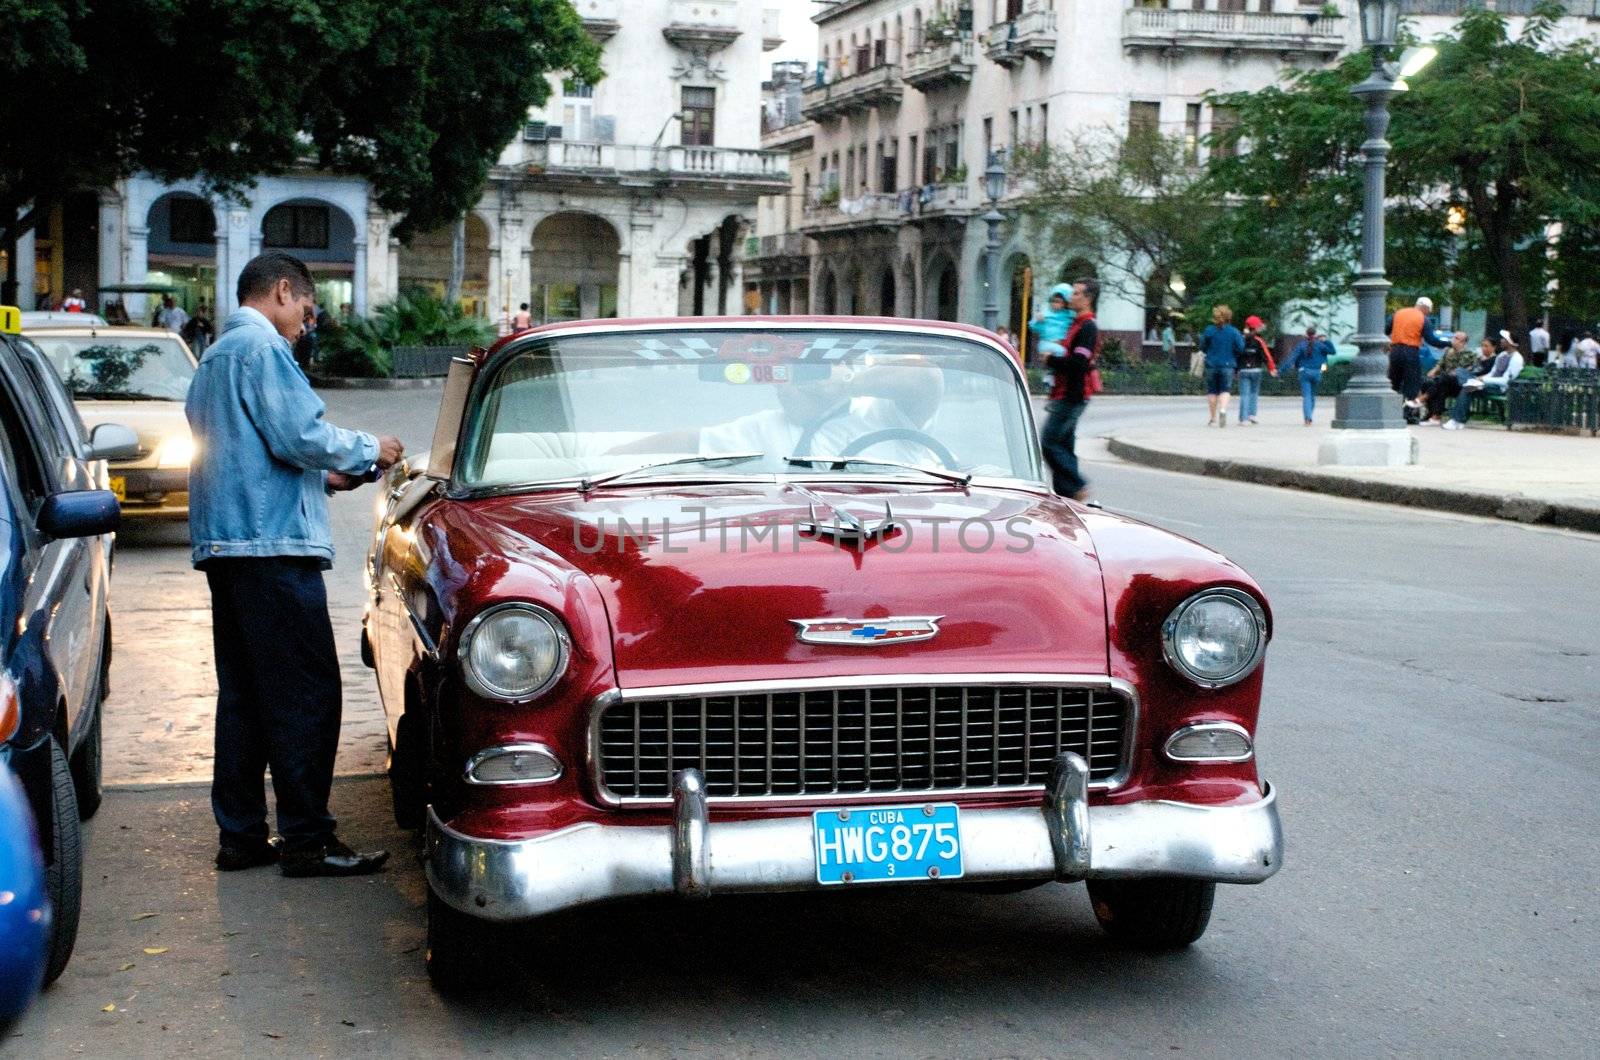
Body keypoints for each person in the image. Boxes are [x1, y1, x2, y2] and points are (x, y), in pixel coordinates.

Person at [185, 251, 404, 877]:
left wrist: (326, 480)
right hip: (272, 548)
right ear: (282, 291)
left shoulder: (212, 361)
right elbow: (298, 434)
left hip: (230, 549)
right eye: (306, 312)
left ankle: (243, 836)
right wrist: (370, 446)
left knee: (247, 698)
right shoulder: (261, 349)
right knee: (308, 694)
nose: (306, 326)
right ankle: (308, 839)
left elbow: (251, 455)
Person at [1040, 278, 1100, 500]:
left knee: (1049, 442)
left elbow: (1078, 363)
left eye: (1076, 294)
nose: (1071, 297)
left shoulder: (1088, 328)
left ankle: (1077, 486)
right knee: (1064, 445)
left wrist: (1052, 360)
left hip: (1073, 394)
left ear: (1087, 298)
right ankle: (1065, 496)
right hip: (1065, 392)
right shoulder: (1076, 324)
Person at [1443, 332, 1523, 430]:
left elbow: (1505, 381)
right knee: (1461, 373)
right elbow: (1492, 373)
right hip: (1486, 383)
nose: (1501, 340)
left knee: (1467, 388)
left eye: (1504, 339)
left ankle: (1456, 420)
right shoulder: (1502, 355)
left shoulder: (1516, 359)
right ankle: (1458, 421)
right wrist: (1479, 379)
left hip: (1498, 388)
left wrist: (1483, 380)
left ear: (1510, 343)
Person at [1387, 296, 1449, 413]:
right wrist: (1448, 343)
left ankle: (1390, 411)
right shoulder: (1423, 319)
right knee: (1412, 383)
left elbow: (1386, 330)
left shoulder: (1398, 313)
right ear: (1425, 308)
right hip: (1410, 352)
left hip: (1394, 352)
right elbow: (1431, 340)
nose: (1428, 314)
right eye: (1428, 311)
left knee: (1394, 382)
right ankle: (1408, 413)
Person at [1199, 304, 1244, 427]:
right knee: (1225, 390)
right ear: (1229, 317)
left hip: (1211, 365)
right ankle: (1223, 410)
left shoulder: (1209, 330)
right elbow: (1241, 348)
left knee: (1212, 391)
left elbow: (1202, 346)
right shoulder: (1234, 332)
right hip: (1228, 364)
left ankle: (1213, 419)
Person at [1280, 326, 1335, 425]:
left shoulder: (1301, 345)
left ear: (1306, 334)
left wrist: (1281, 371)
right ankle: (1310, 417)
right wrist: (1326, 341)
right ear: (1315, 334)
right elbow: (1332, 351)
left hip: (1304, 372)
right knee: (1312, 396)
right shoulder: (1320, 345)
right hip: (1317, 372)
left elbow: (1291, 359)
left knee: (1307, 397)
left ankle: (1307, 418)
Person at [1419, 331, 1473, 424]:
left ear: (1463, 342)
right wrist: (1434, 371)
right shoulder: (1448, 351)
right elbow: (1440, 364)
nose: (1453, 340)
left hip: (1458, 384)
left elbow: (1459, 372)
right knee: (1429, 382)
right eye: (1453, 337)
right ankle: (1432, 414)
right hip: (1445, 382)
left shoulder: (1468, 354)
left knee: (1442, 380)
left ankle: (1426, 402)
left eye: (1456, 338)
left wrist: (1443, 375)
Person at [1237, 315, 1278, 425]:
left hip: (1243, 370)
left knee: (1244, 394)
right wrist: (1272, 368)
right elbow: (1266, 355)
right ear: (1256, 327)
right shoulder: (1259, 341)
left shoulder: (1240, 339)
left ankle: (1244, 418)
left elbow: (1237, 355)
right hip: (1256, 370)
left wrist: (1235, 369)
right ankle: (1252, 415)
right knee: (1254, 393)